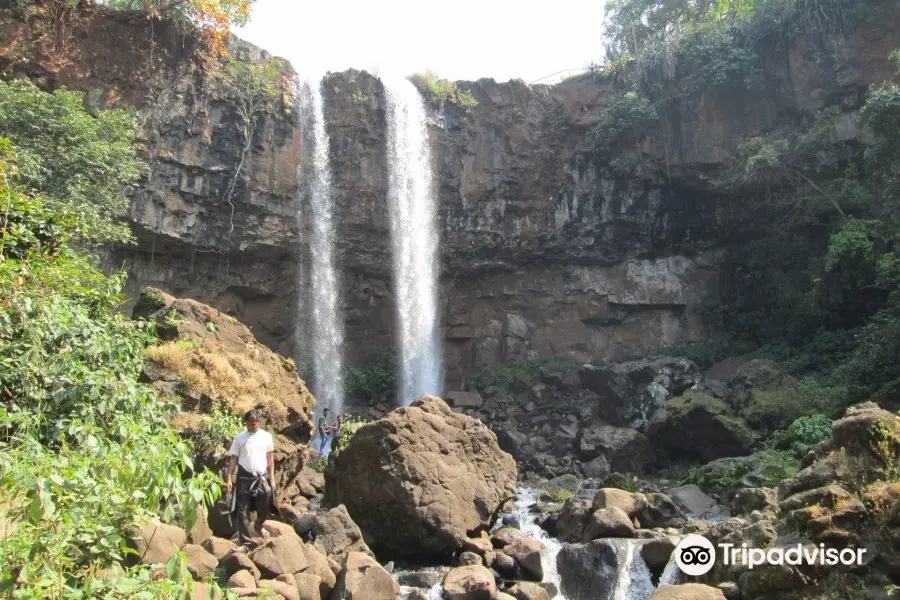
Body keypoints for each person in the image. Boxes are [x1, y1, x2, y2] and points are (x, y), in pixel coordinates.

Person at [225, 409, 277, 551]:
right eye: (250, 423)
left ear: (259, 423)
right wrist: (229, 477)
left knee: (266, 497)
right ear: (246, 423)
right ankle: (246, 543)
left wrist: (272, 478)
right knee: (242, 510)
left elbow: (270, 458)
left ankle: (259, 525)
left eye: (255, 423)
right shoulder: (240, 438)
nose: (252, 426)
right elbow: (234, 458)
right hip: (244, 477)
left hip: (261, 476)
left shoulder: (266, 436)